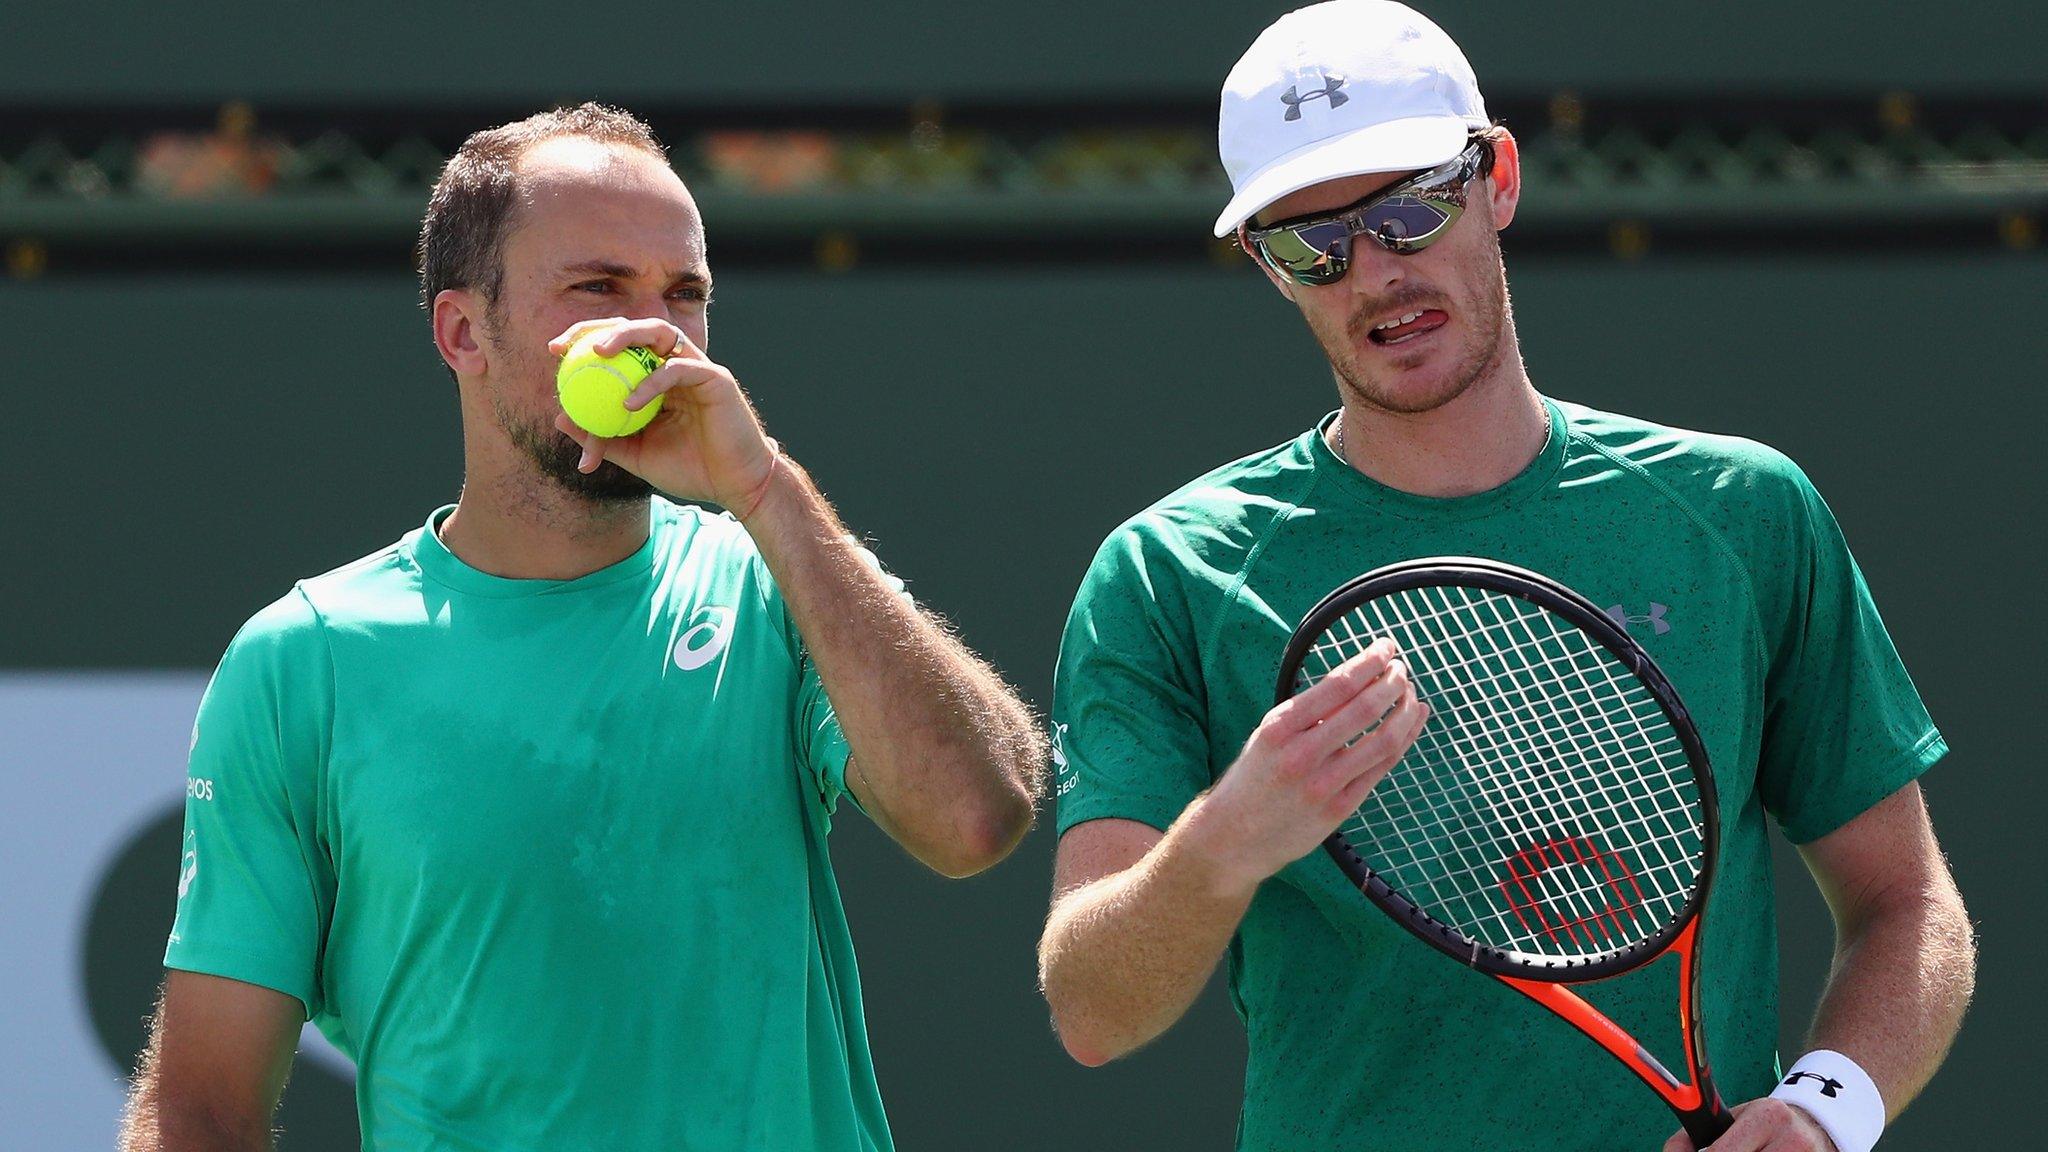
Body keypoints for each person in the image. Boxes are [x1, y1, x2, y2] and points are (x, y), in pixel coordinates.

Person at [1036, 5, 1974, 1151]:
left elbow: (1907, 903)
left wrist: (1827, 1113)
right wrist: (1225, 839)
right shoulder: (1166, 572)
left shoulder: (1743, 512)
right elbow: (1089, 1009)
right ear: (1265, 267)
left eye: (1408, 209)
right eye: (1311, 243)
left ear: (1499, 180)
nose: (1375, 273)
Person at [121, 103, 1044, 1151]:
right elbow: (201, 1105)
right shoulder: (304, 662)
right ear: (463, 331)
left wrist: (765, 490)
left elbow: (976, 818)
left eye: (684, 295)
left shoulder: (781, 577)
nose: (656, 335)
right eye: (599, 288)